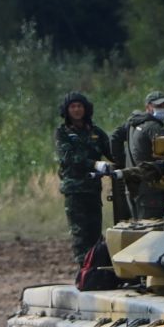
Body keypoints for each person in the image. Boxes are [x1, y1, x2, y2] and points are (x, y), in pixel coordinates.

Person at [53, 90, 112, 269]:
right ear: (67, 110)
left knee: (95, 232)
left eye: (80, 106)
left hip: (93, 190)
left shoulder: (96, 132)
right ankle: (84, 270)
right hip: (74, 191)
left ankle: (95, 268)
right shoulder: (62, 133)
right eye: (73, 106)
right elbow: (68, 157)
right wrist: (94, 164)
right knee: (80, 234)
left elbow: (111, 153)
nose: (77, 110)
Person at [119, 90, 164, 218]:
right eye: (159, 106)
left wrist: (121, 163)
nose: (163, 109)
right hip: (150, 187)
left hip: (134, 186)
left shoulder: (134, 123)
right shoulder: (152, 127)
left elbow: (115, 138)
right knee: (152, 230)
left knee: (139, 225)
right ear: (148, 107)